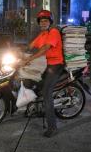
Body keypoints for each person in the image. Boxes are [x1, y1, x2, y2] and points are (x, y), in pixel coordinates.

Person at [19, 10, 64, 138]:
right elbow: (31, 45)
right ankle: (38, 109)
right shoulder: (43, 34)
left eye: (46, 20)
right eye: (41, 21)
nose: (43, 23)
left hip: (56, 65)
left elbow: (45, 48)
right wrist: (18, 50)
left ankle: (52, 127)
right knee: (31, 81)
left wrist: (28, 59)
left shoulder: (53, 32)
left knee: (46, 92)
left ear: (50, 22)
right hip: (47, 65)